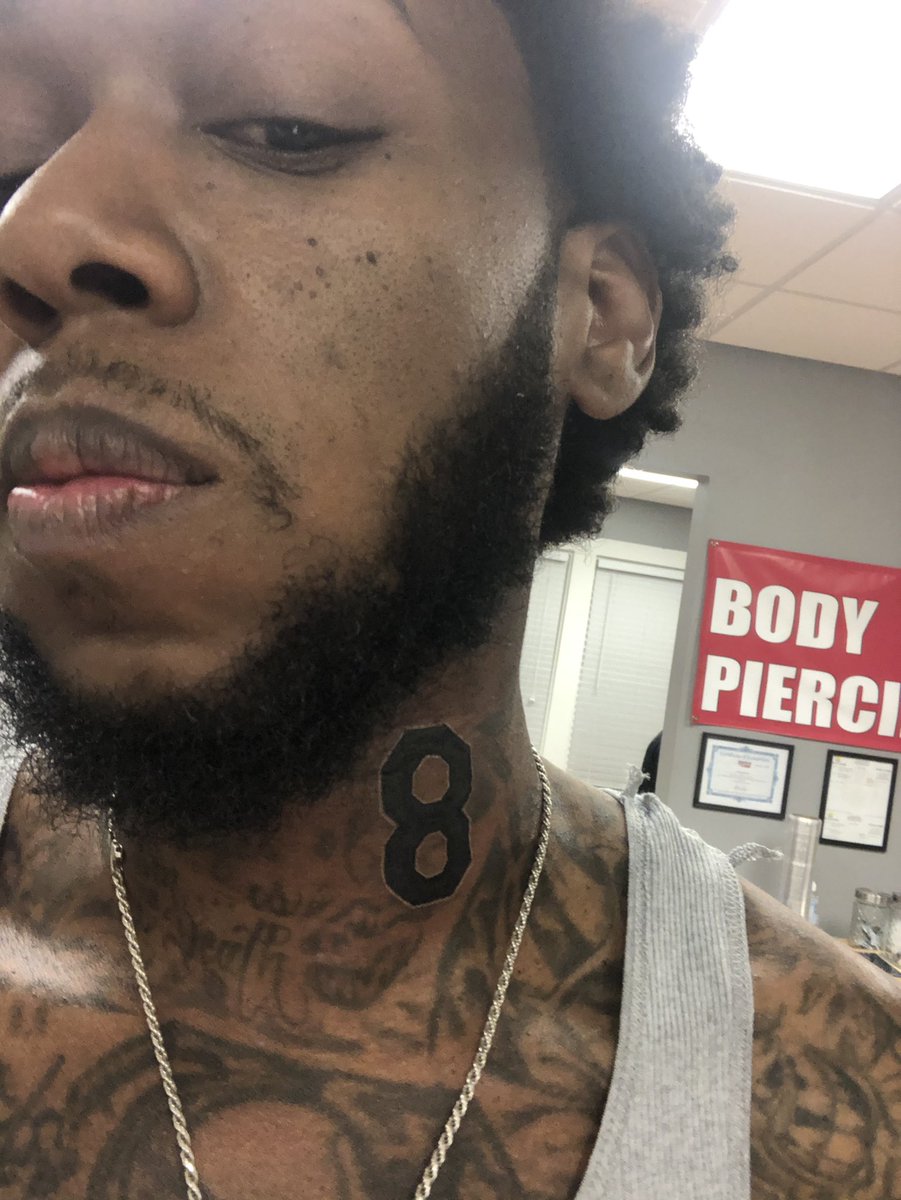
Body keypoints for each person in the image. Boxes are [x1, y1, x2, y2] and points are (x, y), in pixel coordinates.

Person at [0, 1, 897, 1197]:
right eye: (10, 158)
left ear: (601, 313)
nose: (34, 227)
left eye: (283, 124)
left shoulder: (848, 1113)